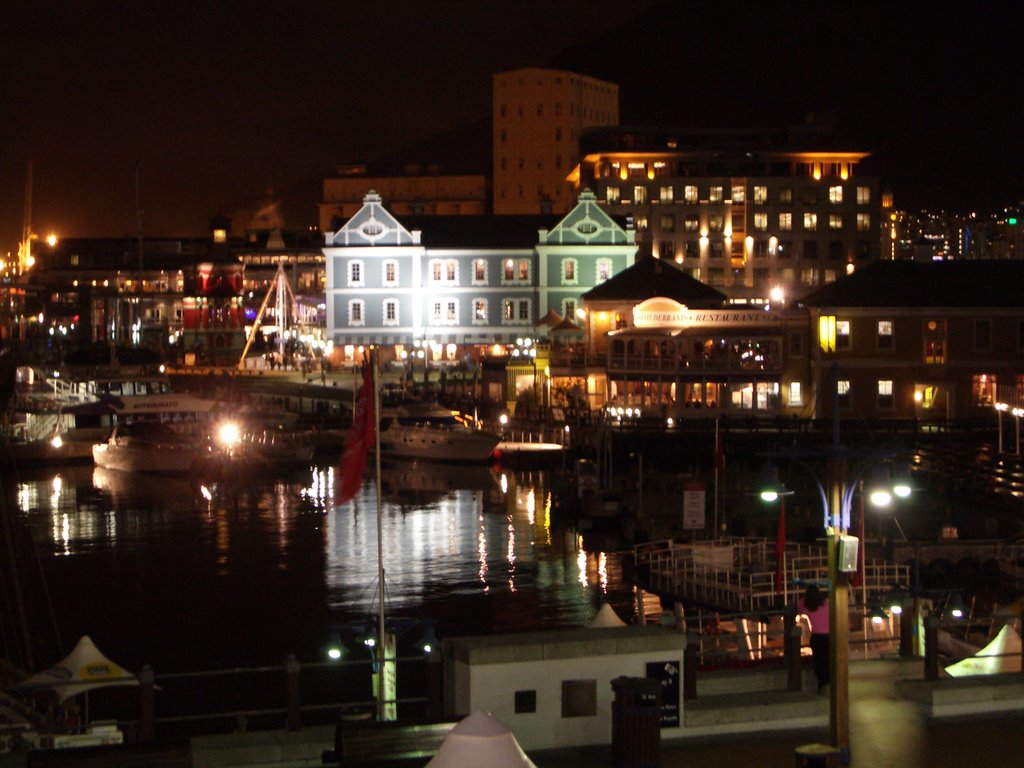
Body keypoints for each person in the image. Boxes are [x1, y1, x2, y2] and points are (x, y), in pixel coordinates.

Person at [798, 584, 830, 692]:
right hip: (829, 636)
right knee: (829, 661)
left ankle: (821, 686)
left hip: (816, 637)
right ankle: (829, 684)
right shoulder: (825, 604)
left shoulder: (806, 605)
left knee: (819, 662)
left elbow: (799, 606)